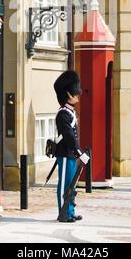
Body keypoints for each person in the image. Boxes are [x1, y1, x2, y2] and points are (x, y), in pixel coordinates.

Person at [53, 70, 90, 223]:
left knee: (71, 184)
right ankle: (63, 212)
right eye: (75, 93)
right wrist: (79, 152)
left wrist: (77, 153)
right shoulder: (63, 113)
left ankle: (70, 211)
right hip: (66, 153)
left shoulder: (70, 112)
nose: (77, 95)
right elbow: (68, 136)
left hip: (71, 154)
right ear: (67, 94)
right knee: (64, 185)